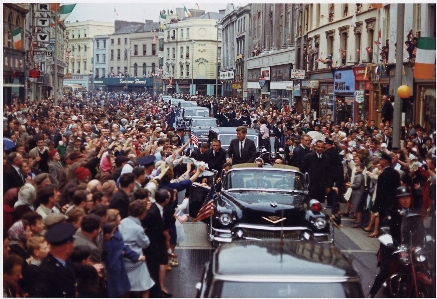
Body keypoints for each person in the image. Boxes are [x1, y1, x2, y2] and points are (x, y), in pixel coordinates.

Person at [368, 186, 419, 297]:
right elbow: (385, 228)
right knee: (386, 269)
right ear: (398, 200)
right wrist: (389, 243)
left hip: (410, 247)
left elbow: (421, 230)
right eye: (402, 198)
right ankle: (371, 294)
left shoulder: (415, 213)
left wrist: (428, 241)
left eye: (407, 197)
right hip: (394, 246)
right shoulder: (391, 212)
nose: (406, 200)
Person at [29, 222, 102, 297]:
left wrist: (93, 269)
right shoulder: (45, 272)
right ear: (67, 247)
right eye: (71, 243)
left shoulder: (63, 261)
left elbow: (76, 268)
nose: (73, 246)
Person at [118, 200, 154, 298]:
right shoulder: (137, 228)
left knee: (126, 289)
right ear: (141, 214)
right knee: (146, 286)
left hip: (123, 259)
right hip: (136, 260)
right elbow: (146, 244)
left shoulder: (122, 222)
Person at [368, 151, 400, 237]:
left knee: (384, 226)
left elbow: (380, 192)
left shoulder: (383, 175)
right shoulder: (396, 173)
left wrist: (375, 207)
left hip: (384, 205)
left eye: (381, 160)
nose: (380, 162)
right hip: (393, 204)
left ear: (385, 161)